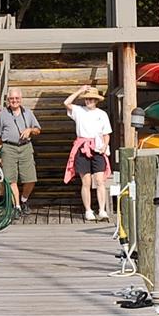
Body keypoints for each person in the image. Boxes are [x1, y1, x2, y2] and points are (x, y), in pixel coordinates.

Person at [63, 85, 112, 221]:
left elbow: (106, 134)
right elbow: (66, 103)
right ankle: (88, 210)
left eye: (91, 99)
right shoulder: (79, 110)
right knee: (86, 181)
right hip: (82, 147)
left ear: (96, 100)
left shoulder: (102, 114)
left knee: (100, 180)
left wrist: (105, 146)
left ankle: (102, 210)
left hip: (98, 148)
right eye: (87, 99)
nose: (89, 101)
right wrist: (79, 91)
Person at [0, 87, 41, 217]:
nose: (14, 101)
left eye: (16, 98)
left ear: (21, 99)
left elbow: (38, 130)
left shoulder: (28, 113)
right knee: (10, 179)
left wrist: (30, 130)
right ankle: (17, 207)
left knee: (31, 179)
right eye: (11, 98)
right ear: (8, 100)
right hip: (8, 148)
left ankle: (24, 200)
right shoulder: (3, 114)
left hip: (25, 147)